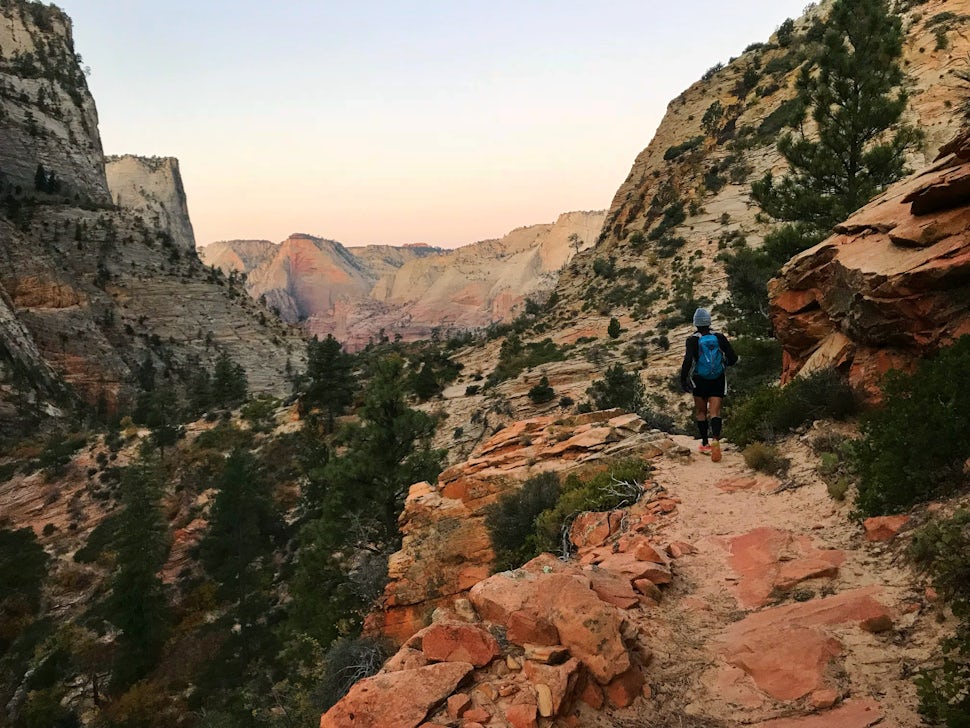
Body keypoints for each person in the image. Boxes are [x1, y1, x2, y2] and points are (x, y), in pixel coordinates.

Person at [679, 308, 738, 462]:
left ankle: (705, 443)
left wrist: (683, 380)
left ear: (695, 323)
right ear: (709, 322)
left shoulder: (692, 340)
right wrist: (724, 364)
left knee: (700, 412)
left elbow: (687, 361)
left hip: (699, 379)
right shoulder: (719, 337)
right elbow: (733, 358)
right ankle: (716, 439)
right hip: (717, 379)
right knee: (715, 412)